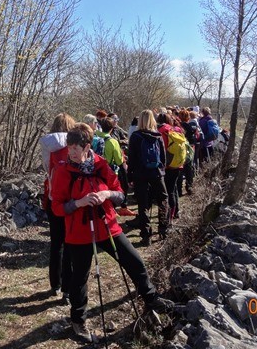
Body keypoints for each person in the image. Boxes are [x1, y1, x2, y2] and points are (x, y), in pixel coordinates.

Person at [51, 123, 174, 343]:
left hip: (107, 226)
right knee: (80, 277)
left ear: (87, 146)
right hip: (78, 233)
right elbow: (57, 207)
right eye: (69, 148)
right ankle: (78, 322)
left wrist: (106, 193)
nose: (71, 153)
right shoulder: (62, 171)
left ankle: (152, 298)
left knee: (134, 261)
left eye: (75, 149)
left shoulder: (101, 165)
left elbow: (120, 194)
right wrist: (78, 203)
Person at [39, 112, 76, 303]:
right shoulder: (75, 143)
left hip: (53, 199)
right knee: (70, 244)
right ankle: (68, 291)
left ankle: (55, 284)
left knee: (56, 244)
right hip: (72, 201)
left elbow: (47, 169)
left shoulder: (47, 145)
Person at [127, 109, 169, 245]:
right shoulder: (158, 136)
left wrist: (130, 176)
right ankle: (163, 228)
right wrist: (161, 170)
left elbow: (131, 159)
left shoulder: (135, 136)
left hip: (140, 174)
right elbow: (163, 157)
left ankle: (146, 235)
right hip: (156, 173)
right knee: (163, 199)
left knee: (143, 204)